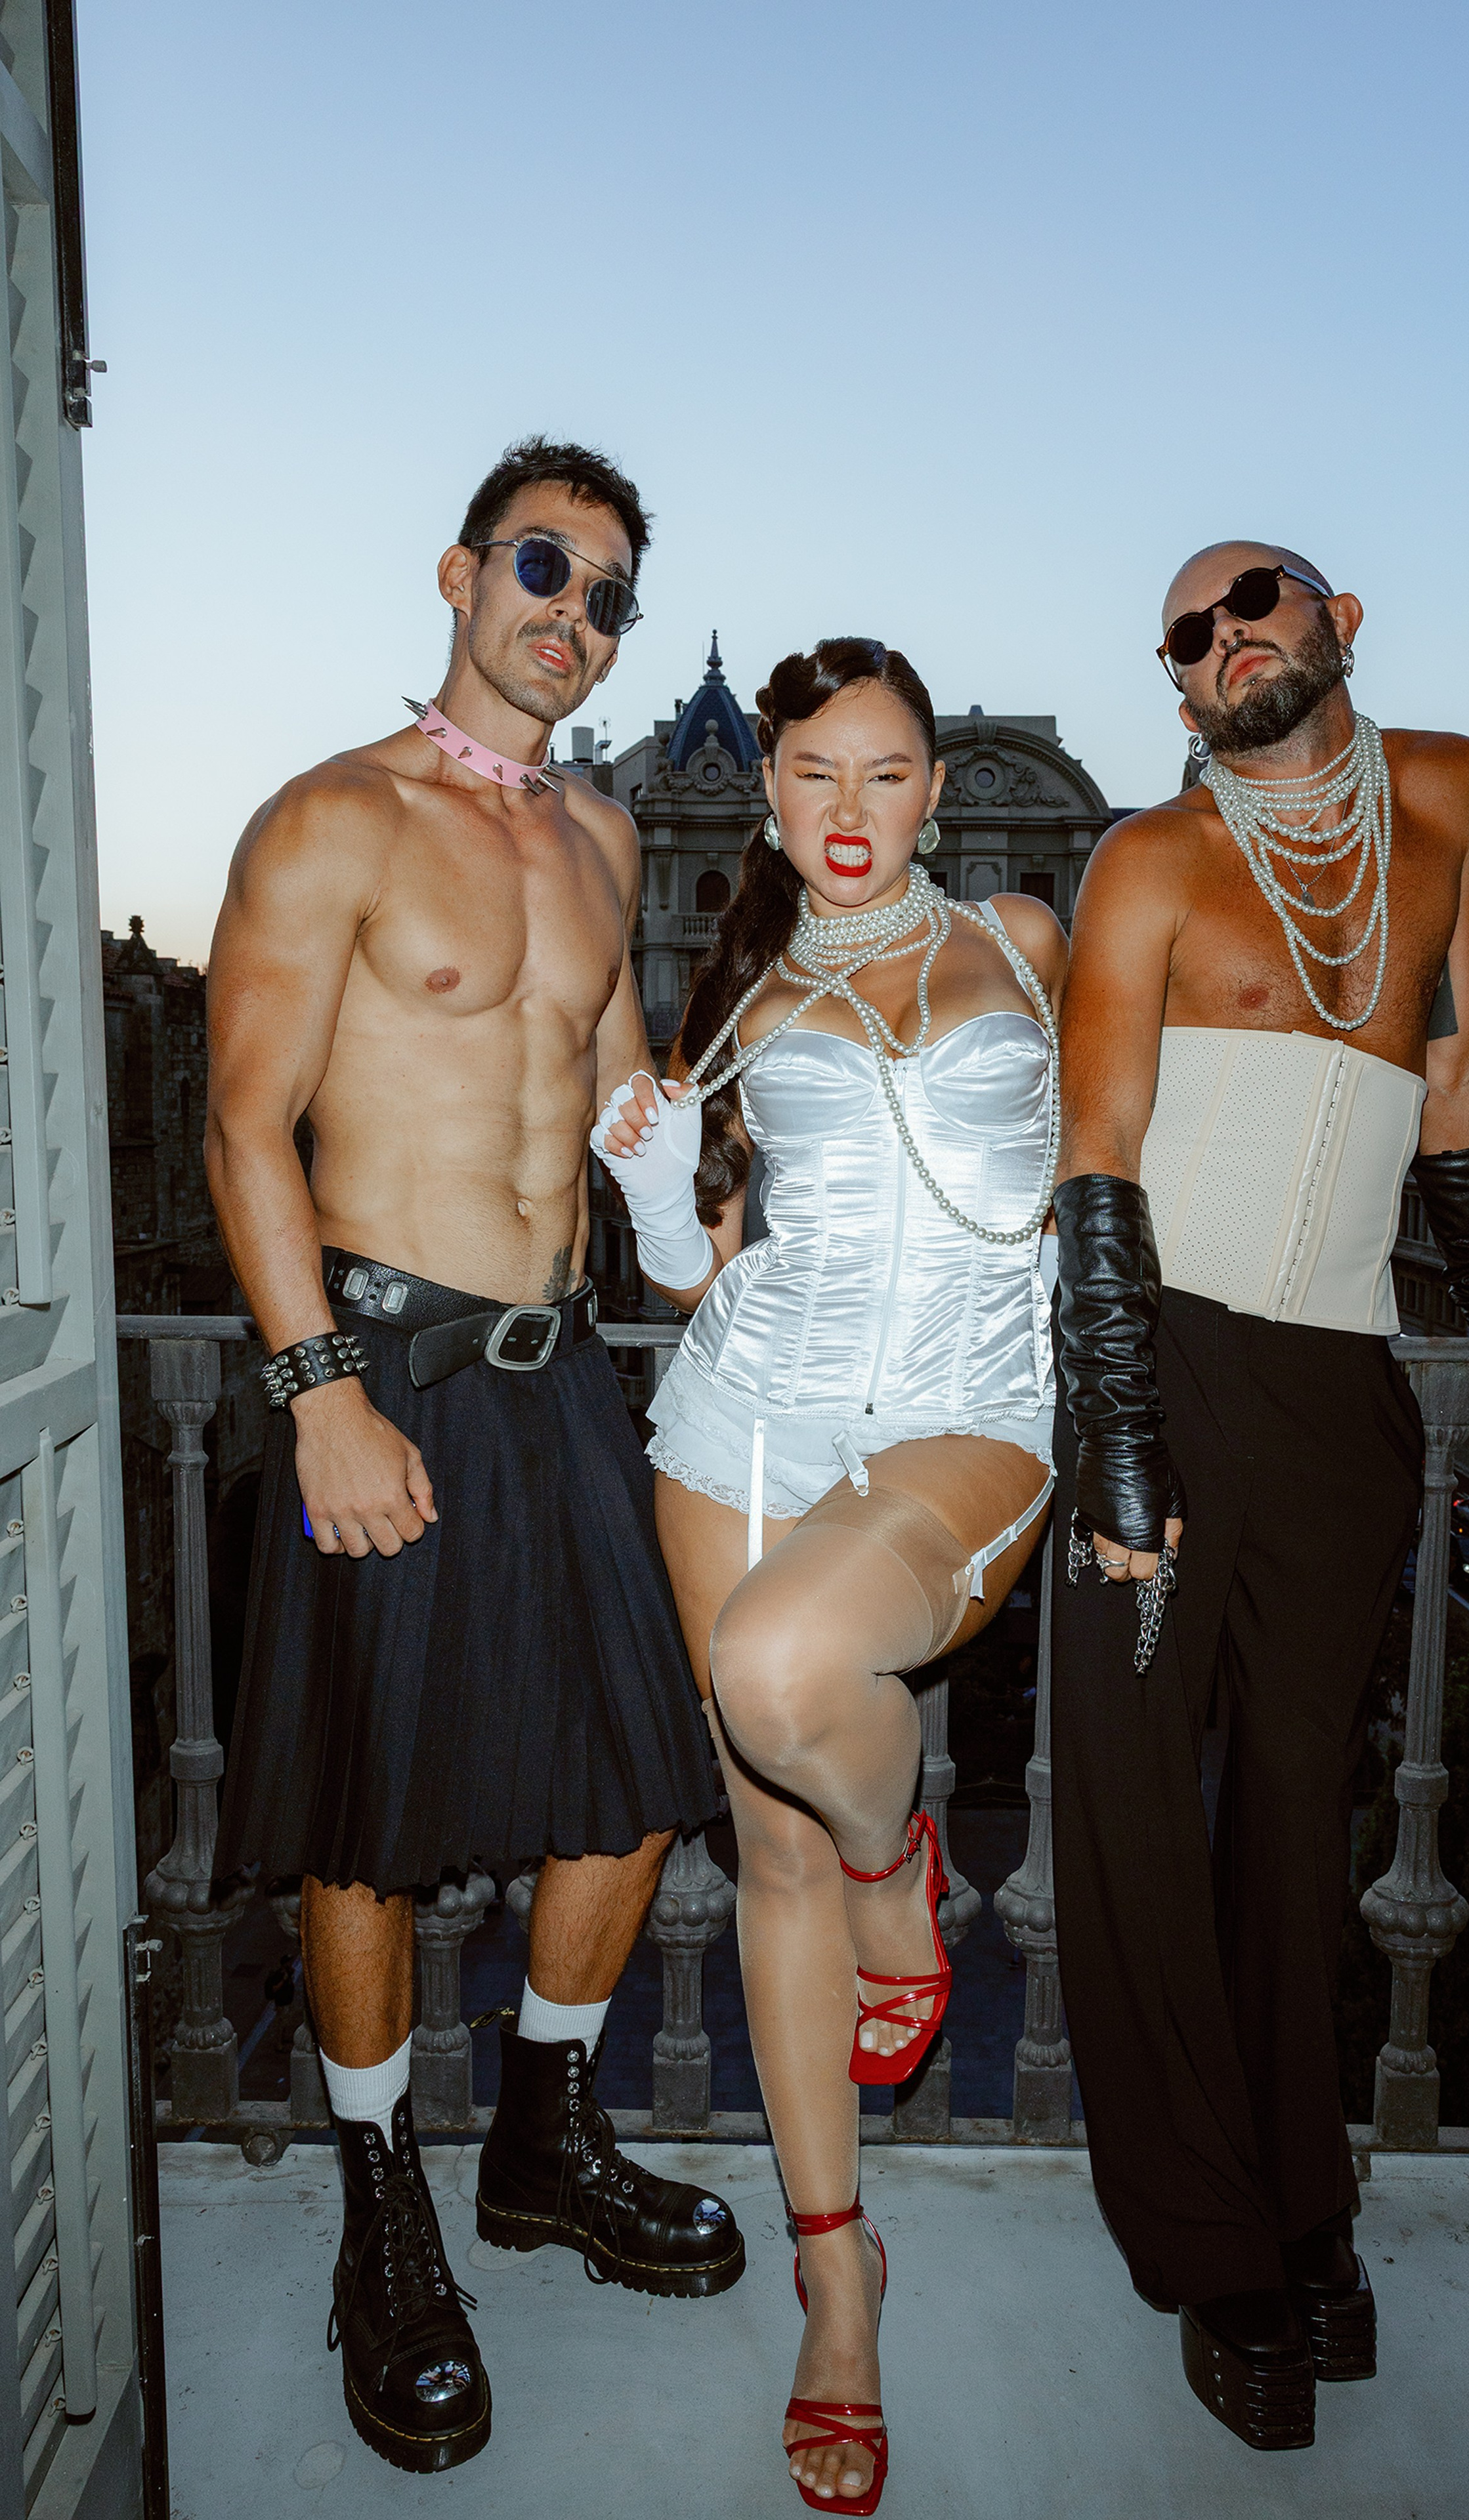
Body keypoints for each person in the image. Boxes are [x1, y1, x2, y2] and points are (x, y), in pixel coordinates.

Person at [205, 436, 742, 2477]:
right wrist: (316, 1386)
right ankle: (381, 2212)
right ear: (460, 571)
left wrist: (697, 1222)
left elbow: (623, 1110)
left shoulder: (603, 842)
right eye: (545, 567)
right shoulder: (331, 817)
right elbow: (247, 1124)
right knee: (368, 1816)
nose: (573, 615)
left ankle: (540, 2137)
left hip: (560, 1369)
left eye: (607, 591)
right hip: (391, 1363)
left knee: (633, 1771)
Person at [1050, 541, 1469, 2452]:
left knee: (1298, 1826)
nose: (1223, 645)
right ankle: (1210, 2249)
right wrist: (1117, 1440)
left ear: (1339, 620)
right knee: (1132, 1813)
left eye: (1253, 604)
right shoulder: (1147, 865)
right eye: (1186, 639)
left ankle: (1303, 2197)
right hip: (1164, 1367)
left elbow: (1454, 1063)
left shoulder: (1446, 788)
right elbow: (1097, 1152)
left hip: (1347, 1385)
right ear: (1178, 690)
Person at [593, 638, 1065, 2513]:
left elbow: (1117, 1186)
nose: (846, 811)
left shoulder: (1030, 940)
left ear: (934, 791)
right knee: (764, 1847)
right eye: (812, 774)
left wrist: (1136, 1444)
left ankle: (905, 1871)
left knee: (785, 1681)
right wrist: (643, 1182)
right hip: (737, 1429)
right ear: (770, 792)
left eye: (885, 774)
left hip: (971, 1419)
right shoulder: (743, 994)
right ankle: (836, 2287)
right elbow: (697, 1278)